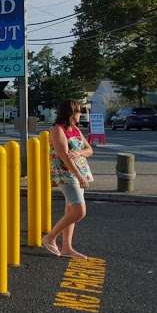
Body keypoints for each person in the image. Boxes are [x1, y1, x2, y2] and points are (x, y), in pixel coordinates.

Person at [43, 100, 94, 259]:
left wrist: (79, 153)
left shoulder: (76, 130)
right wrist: (78, 176)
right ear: (70, 113)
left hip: (80, 171)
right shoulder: (58, 130)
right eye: (79, 111)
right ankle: (50, 237)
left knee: (71, 210)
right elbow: (64, 156)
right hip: (67, 174)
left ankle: (66, 248)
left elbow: (89, 150)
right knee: (79, 211)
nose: (81, 114)